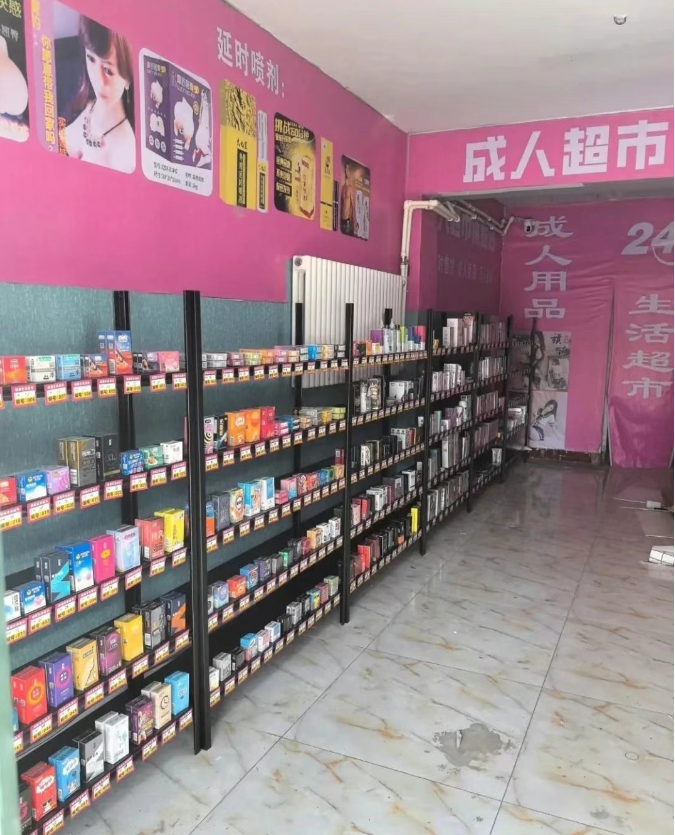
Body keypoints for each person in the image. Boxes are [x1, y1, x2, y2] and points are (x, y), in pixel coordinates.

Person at [62, 16, 135, 173]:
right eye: (91, 59)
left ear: (128, 77)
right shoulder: (84, 102)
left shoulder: (126, 153)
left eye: (108, 70)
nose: (98, 79)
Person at [340, 160, 355, 235]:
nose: (346, 172)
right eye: (345, 169)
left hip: (348, 219)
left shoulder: (350, 188)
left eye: (348, 169)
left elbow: (352, 204)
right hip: (342, 217)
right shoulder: (343, 188)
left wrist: (352, 220)